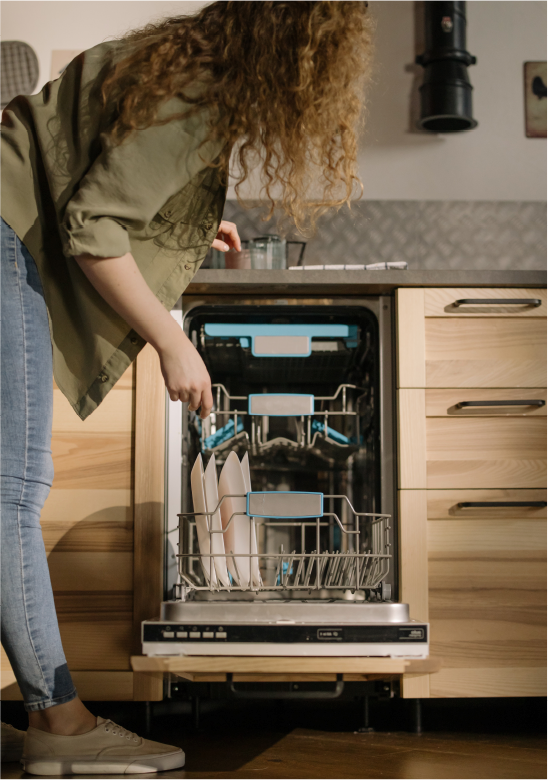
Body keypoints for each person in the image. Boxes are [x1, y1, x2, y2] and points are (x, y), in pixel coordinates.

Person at [0, 1, 373, 774]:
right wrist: (175, 343)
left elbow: (95, 167)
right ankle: (60, 724)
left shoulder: (180, 62)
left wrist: (186, 229)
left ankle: (48, 715)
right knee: (10, 492)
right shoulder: (202, 93)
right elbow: (94, 222)